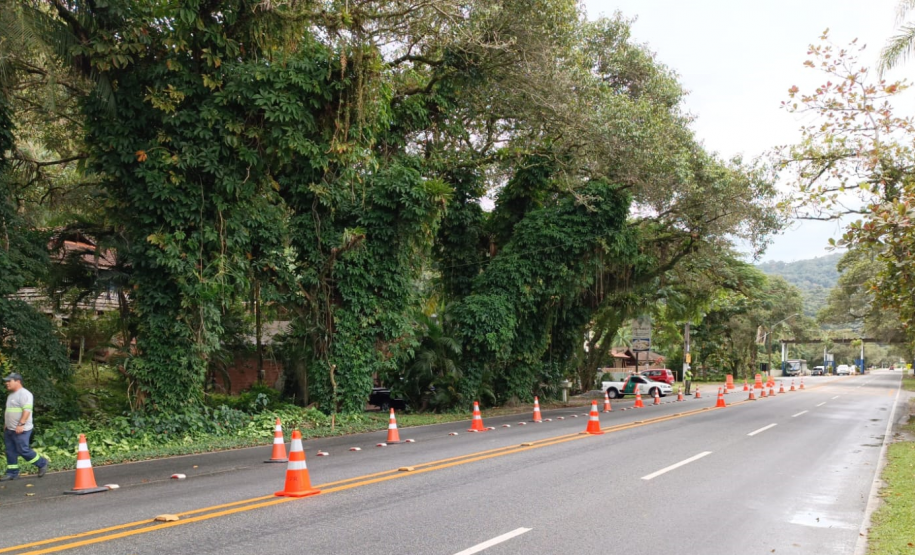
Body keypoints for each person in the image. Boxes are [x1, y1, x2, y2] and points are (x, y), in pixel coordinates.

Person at [3, 372, 48, 480]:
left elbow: (27, 410)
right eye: (6, 381)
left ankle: (42, 463)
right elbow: (9, 411)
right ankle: (12, 473)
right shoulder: (11, 395)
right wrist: (6, 424)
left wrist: (21, 424)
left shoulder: (25, 394)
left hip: (21, 429)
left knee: (23, 450)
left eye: (9, 381)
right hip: (10, 429)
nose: (6, 383)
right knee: (10, 451)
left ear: (18, 381)